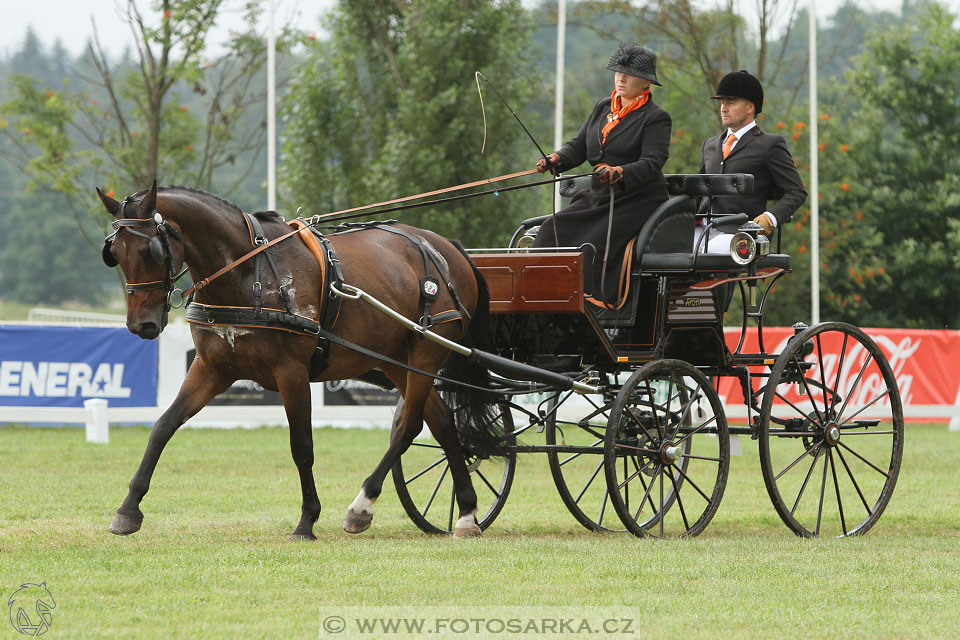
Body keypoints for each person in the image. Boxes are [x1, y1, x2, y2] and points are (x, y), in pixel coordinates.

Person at [533, 43, 671, 306]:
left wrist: (619, 172)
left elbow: (652, 162)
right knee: (551, 230)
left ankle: (590, 303)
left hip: (637, 198)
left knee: (591, 243)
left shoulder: (656, 117)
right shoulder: (603, 107)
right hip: (600, 194)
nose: (621, 77)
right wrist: (557, 159)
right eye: (618, 72)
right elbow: (580, 146)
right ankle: (541, 295)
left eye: (628, 74)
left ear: (646, 82)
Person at [696, 70, 807, 254]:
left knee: (708, 251)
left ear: (750, 107)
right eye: (722, 102)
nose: (723, 108)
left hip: (740, 233)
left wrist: (770, 218)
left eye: (730, 103)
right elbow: (698, 191)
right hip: (702, 229)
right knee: (661, 247)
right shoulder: (709, 145)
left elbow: (796, 191)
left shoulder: (769, 145)